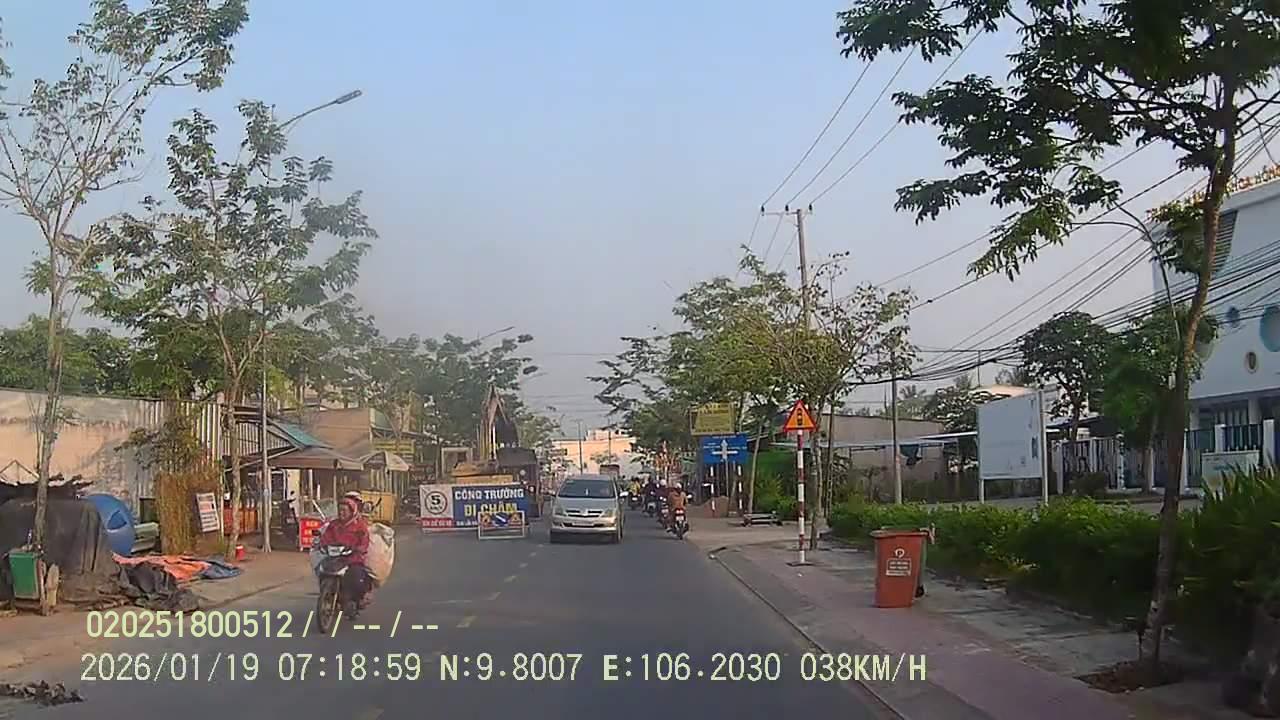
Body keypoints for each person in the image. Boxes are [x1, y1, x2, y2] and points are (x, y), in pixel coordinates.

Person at [319, 498, 373, 609]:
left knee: (357, 577)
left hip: (353, 559)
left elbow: (364, 540)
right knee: (322, 571)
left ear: (351, 511)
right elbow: (326, 537)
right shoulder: (333, 524)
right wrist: (323, 544)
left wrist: (359, 548)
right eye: (340, 510)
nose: (341, 513)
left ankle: (357, 599)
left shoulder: (359, 526)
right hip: (335, 557)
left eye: (344, 510)